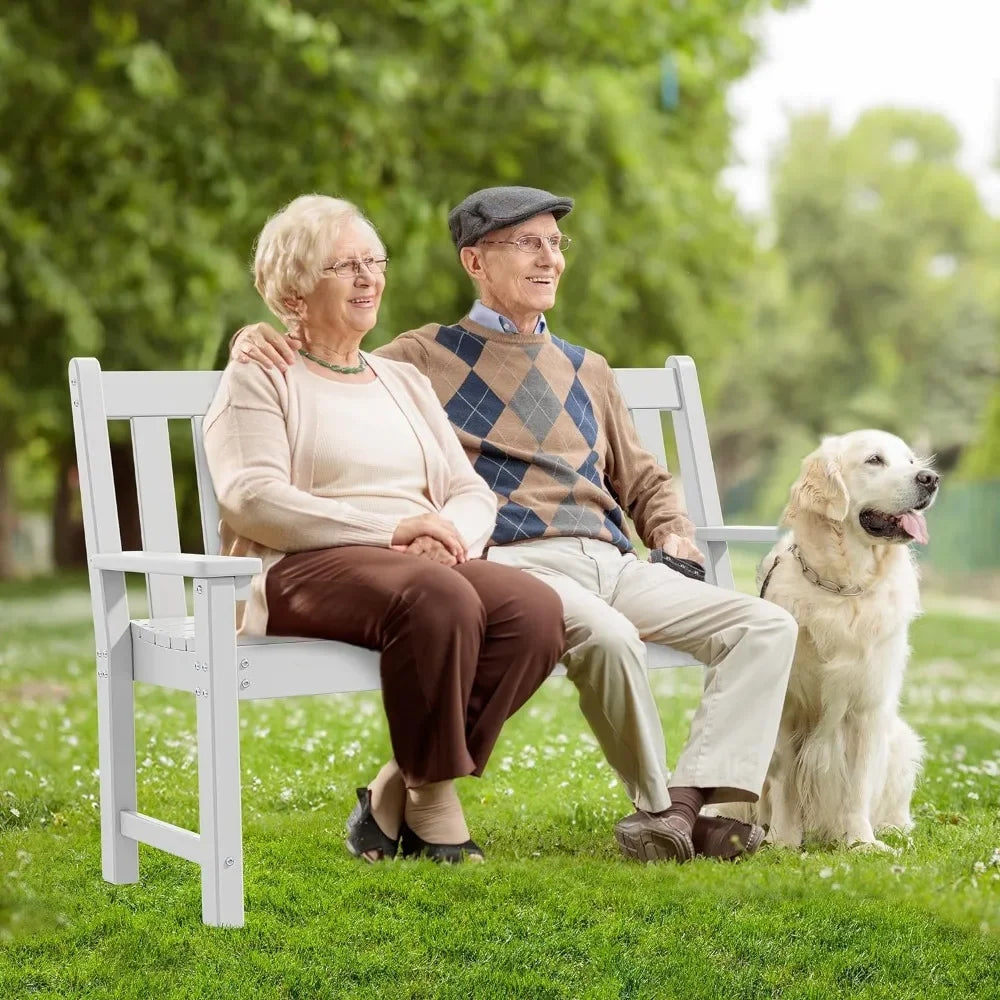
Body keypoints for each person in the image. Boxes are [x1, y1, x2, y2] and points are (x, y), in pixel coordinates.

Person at [231, 186, 799, 863]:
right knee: (601, 637)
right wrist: (256, 333)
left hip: (610, 559)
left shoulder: (590, 369)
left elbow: (642, 477)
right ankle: (660, 812)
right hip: (515, 556)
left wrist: (672, 529)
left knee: (766, 625)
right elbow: (330, 353)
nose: (549, 259)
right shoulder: (423, 356)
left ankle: (683, 805)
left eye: (556, 244)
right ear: (475, 262)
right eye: (528, 243)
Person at [205, 194, 565, 864]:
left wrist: (445, 533)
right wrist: (396, 529)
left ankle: (395, 786)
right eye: (347, 266)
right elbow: (252, 498)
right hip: (304, 566)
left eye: (375, 261)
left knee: (536, 610)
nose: (370, 277)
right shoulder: (260, 374)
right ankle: (433, 801)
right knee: (441, 598)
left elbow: (467, 489)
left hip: (419, 561)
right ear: (296, 287)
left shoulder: (402, 380)